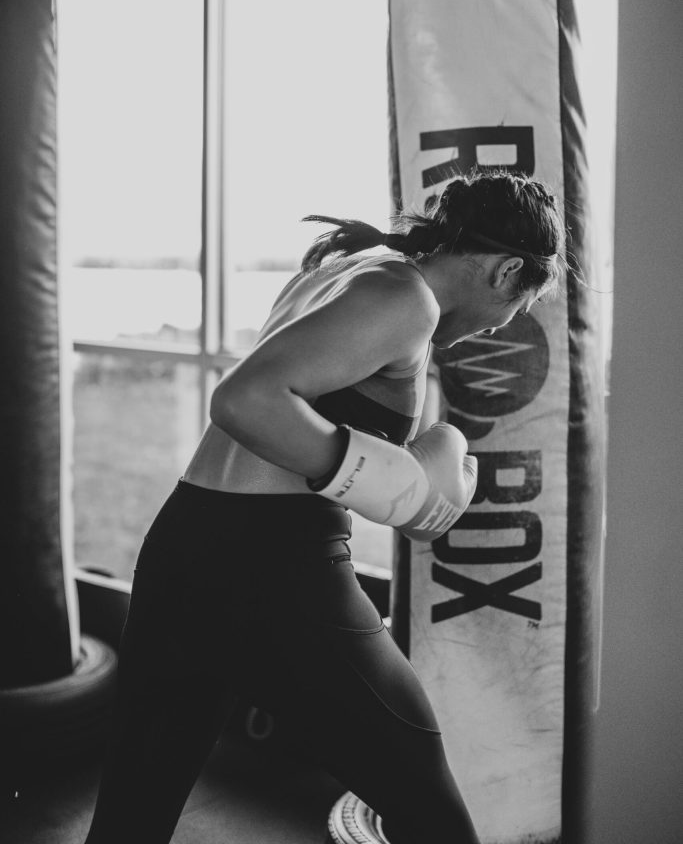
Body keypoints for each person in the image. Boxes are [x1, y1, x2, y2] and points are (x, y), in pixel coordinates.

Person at [83, 170, 565, 844]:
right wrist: (391, 482)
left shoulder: (354, 268)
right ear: (507, 270)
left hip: (186, 544)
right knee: (428, 808)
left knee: (134, 812)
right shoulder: (407, 300)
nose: (494, 330)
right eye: (515, 311)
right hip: (274, 567)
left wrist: (380, 473)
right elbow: (245, 399)